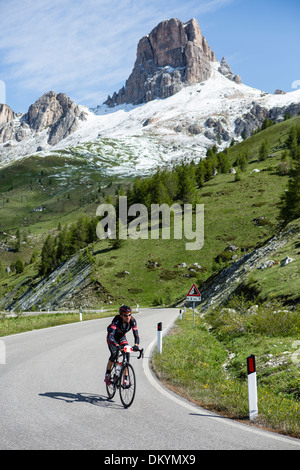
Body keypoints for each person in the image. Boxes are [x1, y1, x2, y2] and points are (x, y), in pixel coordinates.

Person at [105, 305, 140, 386]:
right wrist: (116, 345)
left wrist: (136, 345)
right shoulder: (117, 320)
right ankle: (107, 375)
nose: (128, 317)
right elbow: (111, 335)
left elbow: (136, 335)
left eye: (129, 315)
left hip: (121, 338)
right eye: (125, 315)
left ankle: (125, 379)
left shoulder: (132, 321)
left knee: (127, 353)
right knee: (114, 354)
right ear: (121, 315)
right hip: (112, 338)